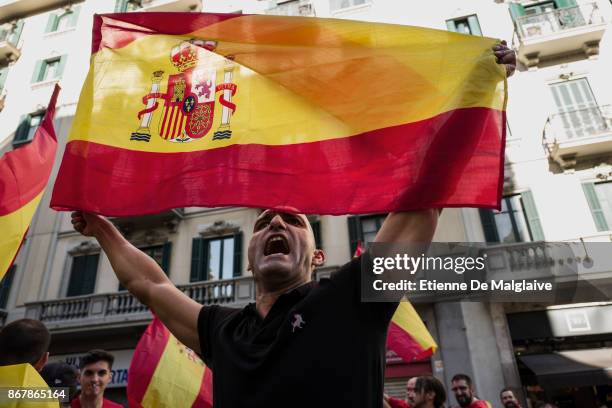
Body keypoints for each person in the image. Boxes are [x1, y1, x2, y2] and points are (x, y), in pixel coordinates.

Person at [71, 42, 516, 407]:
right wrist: (101, 227)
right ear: (250, 257)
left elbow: (423, 202)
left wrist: (473, 92)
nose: (276, 222)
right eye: (264, 221)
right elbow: (150, 284)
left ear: (317, 256)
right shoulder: (221, 329)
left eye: (294, 221)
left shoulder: (352, 299)